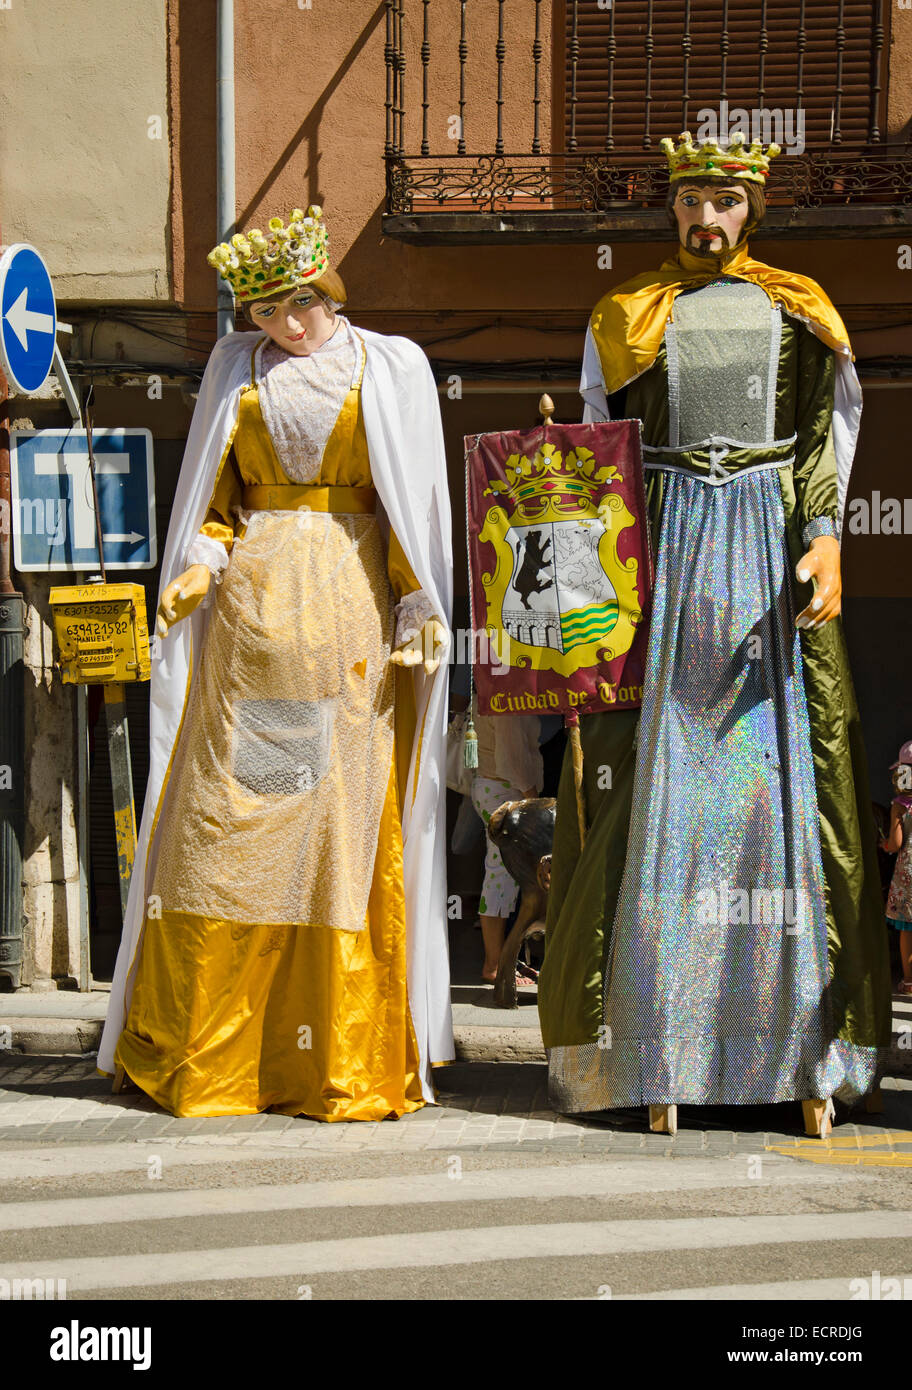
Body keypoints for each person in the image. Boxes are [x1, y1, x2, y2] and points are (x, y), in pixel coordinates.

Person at [537, 133, 892, 1138]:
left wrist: (825, 540)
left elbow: (821, 438)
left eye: (725, 201)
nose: (707, 217)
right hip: (668, 547)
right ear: (671, 207)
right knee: (664, 792)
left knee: (778, 793)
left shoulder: (799, 305)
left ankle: (802, 1053)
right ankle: (653, 1048)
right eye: (693, 197)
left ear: (754, 211)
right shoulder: (628, 313)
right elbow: (603, 454)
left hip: (769, 552)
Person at [97, 206, 454, 1121]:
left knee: (338, 832)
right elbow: (214, 503)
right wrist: (195, 567)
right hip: (253, 637)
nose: (288, 326)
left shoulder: (388, 366)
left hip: (352, 628)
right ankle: (226, 1055)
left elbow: (407, 499)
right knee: (248, 827)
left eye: (298, 302)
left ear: (326, 290)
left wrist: (422, 603)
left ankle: (331, 1056)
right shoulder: (233, 375)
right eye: (264, 311)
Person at [469, 712, 543, 986]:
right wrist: (533, 800)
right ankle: (495, 964)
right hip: (505, 790)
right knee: (501, 877)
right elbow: (512, 761)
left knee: (503, 876)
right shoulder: (506, 697)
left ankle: (502, 961)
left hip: (493, 787)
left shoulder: (492, 688)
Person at [881, 742, 912, 995]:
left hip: (908, 875)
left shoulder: (900, 805)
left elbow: (897, 842)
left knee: (907, 929)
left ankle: (909, 981)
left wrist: (886, 844)